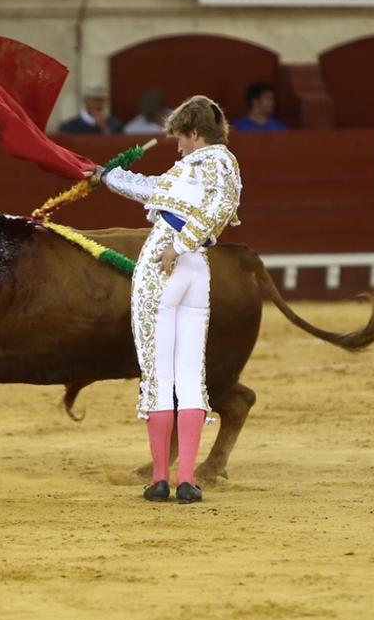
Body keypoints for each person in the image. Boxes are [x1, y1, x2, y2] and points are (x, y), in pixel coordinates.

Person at [88, 95, 242, 505]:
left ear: (195, 133)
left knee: (159, 374)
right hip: (196, 270)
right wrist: (106, 176)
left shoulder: (213, 161)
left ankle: (160, 479)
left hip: (165, 264)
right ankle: (187, 480)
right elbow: (151, 188)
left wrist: (178, 242)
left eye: (179, 138)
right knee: (190, 375)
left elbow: (219, 207)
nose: (176, 147)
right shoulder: (198, 168)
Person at [57, 86, 122, 135]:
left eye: (101, 100)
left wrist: (104, 128)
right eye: (95, 100)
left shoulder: (114, 124)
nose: (99, 104)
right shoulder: (69, 126)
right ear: (86, 101)